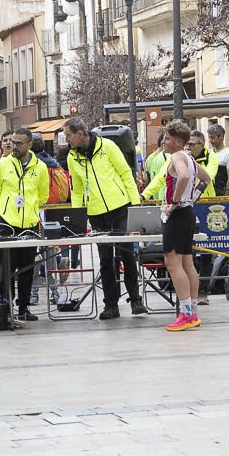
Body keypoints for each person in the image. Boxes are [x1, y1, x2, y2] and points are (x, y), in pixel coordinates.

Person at [63, 117, 145, 319]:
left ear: (80, 133)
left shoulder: (107, 146)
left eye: (68, 136)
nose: (67, 141)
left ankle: (136, 300)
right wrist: (78, 216)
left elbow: (126, 173)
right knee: (105, 259)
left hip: (120, 207)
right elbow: (77, 189)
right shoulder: (72, 157)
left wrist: (135, 205)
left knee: (126, 254)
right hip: (96, 212)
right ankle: (110, 305)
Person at [0, 127, 49, 323]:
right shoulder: (0, 166)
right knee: (7, 268)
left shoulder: (40, 167)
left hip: (29, 223)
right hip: (7, 222)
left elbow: (43, 196)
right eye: (12, 142)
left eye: (19, 143)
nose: (14, 146)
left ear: (30, 145)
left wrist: (29, 209)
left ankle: (23, 306)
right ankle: (6, 305)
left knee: (27, 268)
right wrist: (7, 208)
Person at [159, 120, 211, 332]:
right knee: (187, 262)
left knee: (173, 262)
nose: (164, 141)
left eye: (168, 138)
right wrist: (192, 198)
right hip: (188, 213)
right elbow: (206, 178)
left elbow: (183, 176)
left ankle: (186, 313)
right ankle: (193, 312)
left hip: (179, 213)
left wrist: (174, 202)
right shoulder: (190, 156)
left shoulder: (177, 156)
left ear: (178, 142)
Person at [187, 131, 220, 305]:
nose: (189, 147)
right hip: (188, 206)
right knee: (188, 251)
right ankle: (190, 290)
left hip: (207, 206)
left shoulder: (212, 158)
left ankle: (203, 290)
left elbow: (209, 176)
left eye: (192, 144)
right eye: (188, 144)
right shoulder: (184, 157)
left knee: (207, 251)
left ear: (201, 144)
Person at [207, 125, 229, 195]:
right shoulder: (210, 152)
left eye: (213, 137)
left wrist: (226, 197)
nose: (210, 140)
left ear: (221, 137)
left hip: (223, 193)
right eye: (209, 137)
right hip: (212, 193)